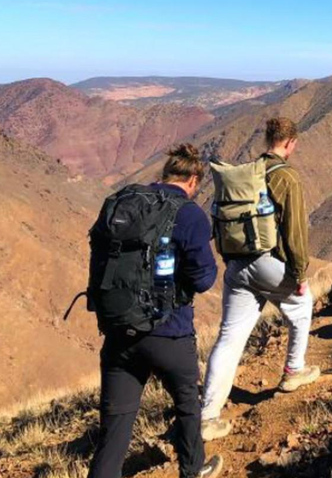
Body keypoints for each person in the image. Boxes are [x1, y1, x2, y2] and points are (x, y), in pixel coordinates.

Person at [87, 144, 223, 478]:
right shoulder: (188, 213)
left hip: (119, 331)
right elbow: (204, 278)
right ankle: (193, 470)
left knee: (115, 424)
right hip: (169, 331)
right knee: (188, 404)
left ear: (164, 175)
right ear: (193, 180)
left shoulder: (127, 203)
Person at [201, 117, 320, 441]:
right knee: (301, 305)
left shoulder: (247, 174)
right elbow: (295, 232)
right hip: (269, 263)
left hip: (237, 266)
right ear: (290, 143)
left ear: (267, 139)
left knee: (229, 338)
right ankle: (294, 371)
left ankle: (207, 416)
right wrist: (298, 274)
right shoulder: (286, 177)